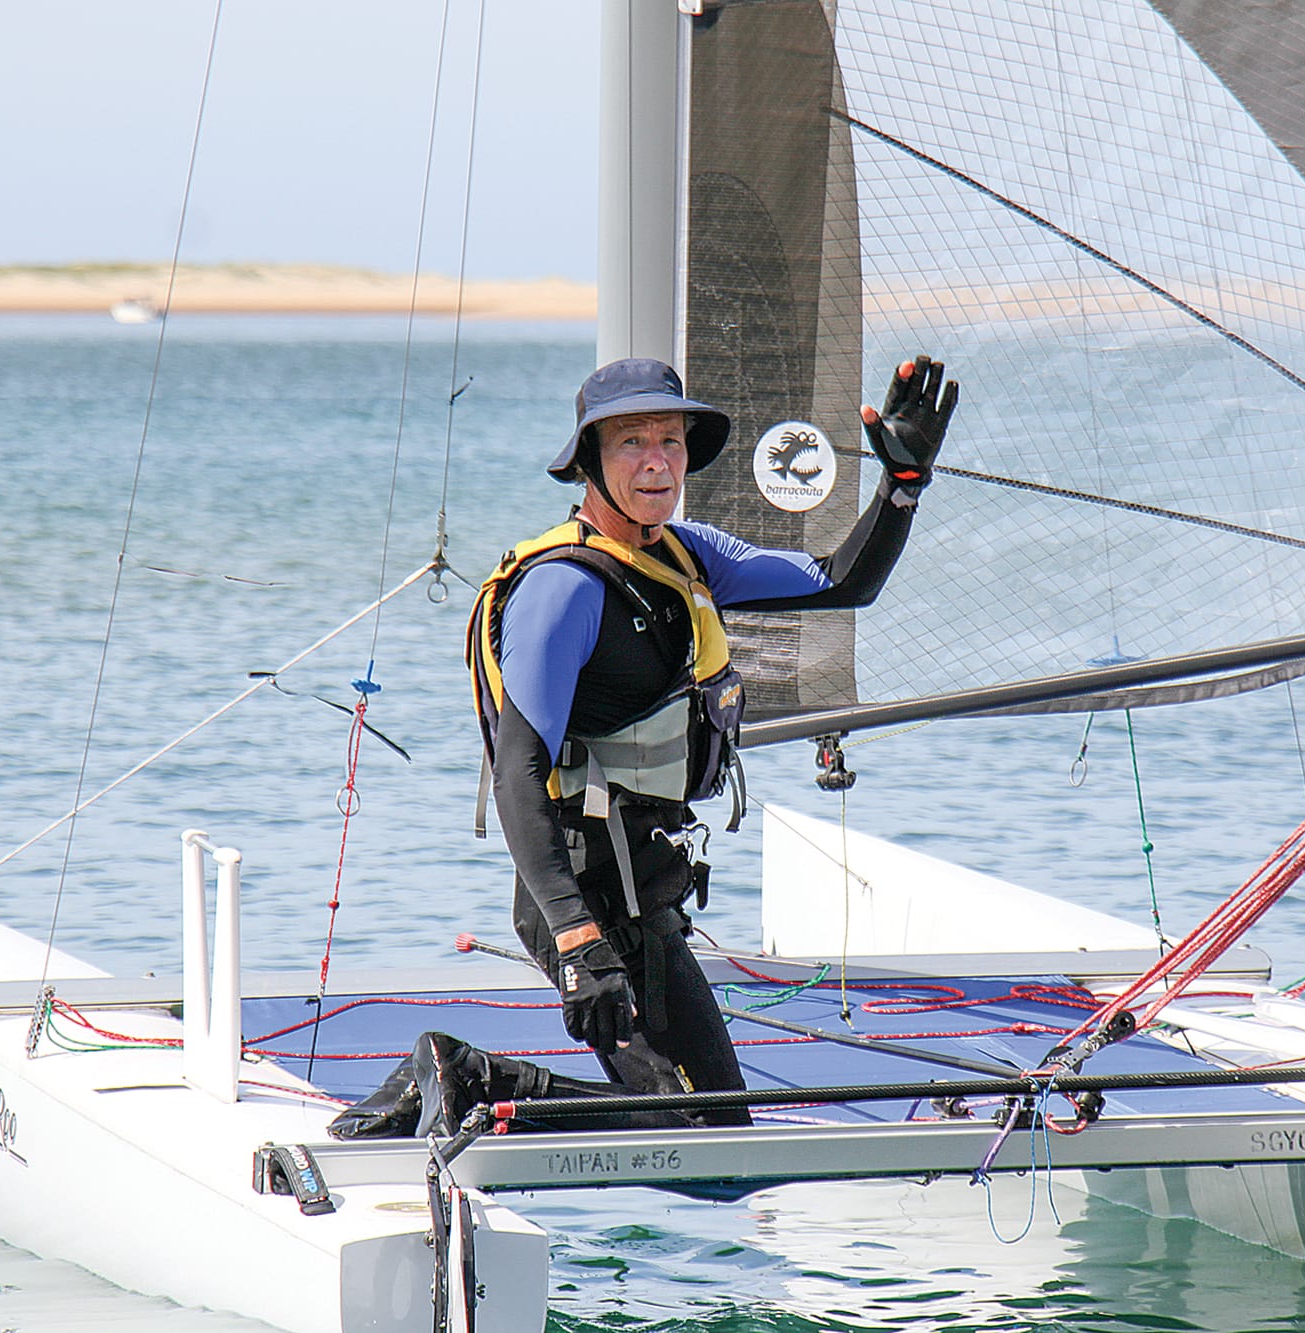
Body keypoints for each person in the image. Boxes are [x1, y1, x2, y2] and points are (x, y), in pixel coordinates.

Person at [329, 354, 957, 1140]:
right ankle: (468, 1078)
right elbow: (518, 773)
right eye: (631, 443)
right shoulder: (564, 589)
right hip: (585, 898)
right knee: (708, 1133)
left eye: (670, 439)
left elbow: (840, 582)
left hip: (643, 891)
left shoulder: (686, 556)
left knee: (711, 1131)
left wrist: (901, 488)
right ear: (590, 460)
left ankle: (471, 1083)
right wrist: (577, 938)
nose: (657, 460)